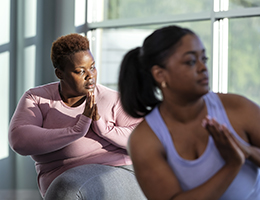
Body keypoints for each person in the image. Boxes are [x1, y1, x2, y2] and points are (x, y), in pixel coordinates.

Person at [118, 25, 260, 200]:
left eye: (204, 58)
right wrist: (232, 165)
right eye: (191, 61)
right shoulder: (144, 139)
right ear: (160, 74)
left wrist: (248, 151)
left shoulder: (238, 107)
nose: (203, 68)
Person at [8, 33, 146, 200]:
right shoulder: (37, 99)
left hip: (119, 171)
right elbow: (20, 140)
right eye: (80, 71)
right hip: (60, 185)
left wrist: (104, 129)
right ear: (60, 73)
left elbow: (144, 140)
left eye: (92, 67)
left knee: (68, 187)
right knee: (66, 187)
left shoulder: (112, 98)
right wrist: (77, 130)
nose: (90, 76)